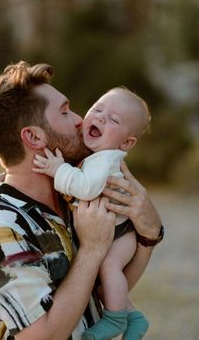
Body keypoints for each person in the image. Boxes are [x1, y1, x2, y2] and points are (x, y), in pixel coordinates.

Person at [0, 61, 163, 340]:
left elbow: (101, 290)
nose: (79, 119)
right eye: (64, 111)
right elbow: (41, 336)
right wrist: (92, 249)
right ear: (34, 136)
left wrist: (148, 236)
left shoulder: (71, 200)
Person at [33, 87, 152, 340]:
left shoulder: (106, 159)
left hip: (121, 231)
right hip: (114, 227)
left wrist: (58, 170)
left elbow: (87, 188)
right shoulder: (97, 156)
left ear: (127, 142)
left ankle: (115, 319)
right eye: (97, 109)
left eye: (113, 120)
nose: (99, 118)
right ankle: (133, 317)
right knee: (103, 281)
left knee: (109, 267)